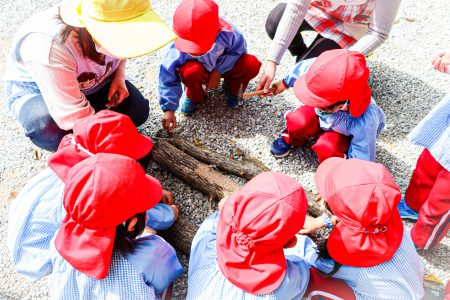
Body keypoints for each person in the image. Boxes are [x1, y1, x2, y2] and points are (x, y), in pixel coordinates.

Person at [8, 111, 179, 280]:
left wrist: (143, 186)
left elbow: (122, 193)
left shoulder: (81, 169)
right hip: (37, 254)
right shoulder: (89, 197)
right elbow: (126, 212)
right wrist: (168, 215)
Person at [4, 0, 176, 151]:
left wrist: (118, 76)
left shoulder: (117, 18)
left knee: (137, 112)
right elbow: (75, 116)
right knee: (48, 129)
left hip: (91, 80)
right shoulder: (48, 46)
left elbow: (127, 46)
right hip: (41, 91)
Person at [10, 153, 183, 298]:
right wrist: (146, 236)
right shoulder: (154, 252)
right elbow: (166, 274)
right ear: (132, 225)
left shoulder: (58, 241)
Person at [297, 157, 425, 299]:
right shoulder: (390, 222)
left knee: (315, 280)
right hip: (414, 288)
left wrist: (295, 240)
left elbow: (313, 260)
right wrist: (320, 221)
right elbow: (359, 216)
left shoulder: (344, 261)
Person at [187, 172, 312, 299]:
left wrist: (227, 209)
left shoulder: (206, 245)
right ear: (291, 243)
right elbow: (303, 274)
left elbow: (217, 221)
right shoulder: (283, 285)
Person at [256, 0, 402, 93]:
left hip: (351, 26)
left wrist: (341, 59)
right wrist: (272, 61)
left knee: (316, 73)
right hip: (319, 7)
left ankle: (312, 60)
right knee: (275, 22)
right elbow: (296, 8)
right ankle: (301, 53)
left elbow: (378, 33)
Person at [159, 0, 261, 131]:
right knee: (189, 72)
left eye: (199, 45)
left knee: (250, 64)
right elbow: (167, 76)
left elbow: (237, 51)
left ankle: (233, 90)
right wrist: (169, 109)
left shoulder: (229, 33)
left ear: (217, 31)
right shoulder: (176, 46)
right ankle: (194, 95)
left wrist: (218, 71)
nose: (193, 51)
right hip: (199, 71)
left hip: (223, 68)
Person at [270, 49, 385, 162]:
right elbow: (305, 68)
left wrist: (354, 167)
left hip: (341, 134)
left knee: (327, 147)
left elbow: (362, 156)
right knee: (298, 120)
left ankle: (334, 160)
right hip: (322, 118)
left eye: (319, 104)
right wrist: (284, 83)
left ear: (340, 105)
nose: (313, 104)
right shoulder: (322, 70)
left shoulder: (366, 118)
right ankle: (292, 137)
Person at [396, 54, 450, 250]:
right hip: (445, 136)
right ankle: (413, 205)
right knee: (425, 171)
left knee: (442, 200)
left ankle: (420, 240)